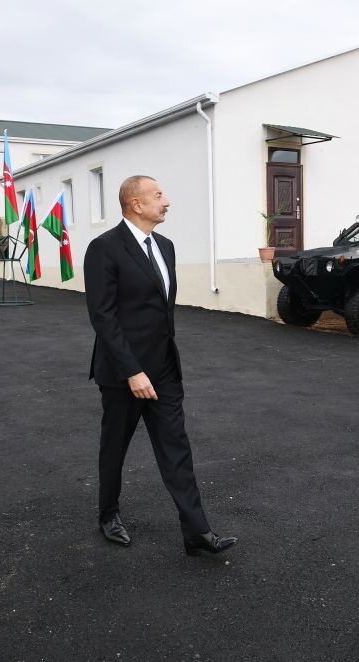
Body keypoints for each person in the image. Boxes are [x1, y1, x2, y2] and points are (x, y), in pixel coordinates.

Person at [83, 175, 237, 556]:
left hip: (165, 369)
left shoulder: (165, 246)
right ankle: (108, 514)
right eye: (158, 195)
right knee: (114, 447)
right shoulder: (104, 248)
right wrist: (132, 371)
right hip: (124, 374)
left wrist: (159, 364)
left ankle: (196, 532)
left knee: (176, 447)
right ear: (136, 204)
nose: (166, 201)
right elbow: (103, 317)